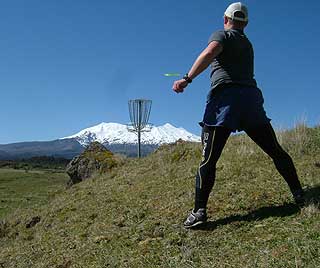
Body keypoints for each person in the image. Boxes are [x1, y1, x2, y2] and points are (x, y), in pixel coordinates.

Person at [172, 2, 304, 229]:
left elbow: (210, 52)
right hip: (251, 100)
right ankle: (299, 193)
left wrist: (187, 78)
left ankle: (199, 212)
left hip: (225, 101)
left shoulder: (221, 35)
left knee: (209, 159)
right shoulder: (247, 43)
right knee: (274, 150)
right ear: (246, 23)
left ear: (226, 19)